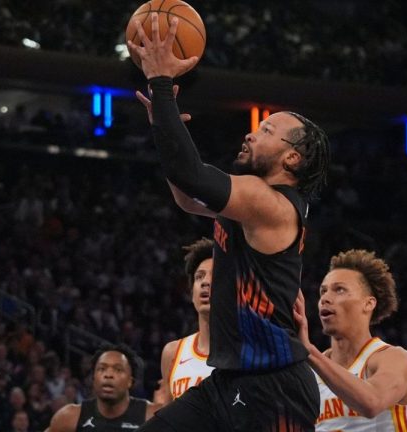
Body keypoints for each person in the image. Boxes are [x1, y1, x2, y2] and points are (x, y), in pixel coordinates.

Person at [128, 12, 330, 432]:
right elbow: (187, 197)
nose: (252, 133)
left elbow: (191, 174)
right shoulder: (248, 203)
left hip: (275, 387)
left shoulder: (271, 203)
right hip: (228, 381)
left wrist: (161, 84)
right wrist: (162, 129)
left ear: (292, 158)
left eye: (268, 130)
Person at [293, 249, 407, 431]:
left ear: (368, 303)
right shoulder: (309, 374)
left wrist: (308, 351)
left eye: (339, 290)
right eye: (323, 291)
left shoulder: (395, 359)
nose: (325, 298)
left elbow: (372, 403)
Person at [155, 238, 215, 405]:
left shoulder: (249, 351)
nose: (205, 282)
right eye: (199, 277)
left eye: (215, 275)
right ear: (191, 293)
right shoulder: (172, 352)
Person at [46, 345, 156, 431]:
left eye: (118, 370)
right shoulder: (69, 417)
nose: (108, 375)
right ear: (93, 379)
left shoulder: (151, 417)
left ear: (130, 381)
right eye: (102, 369)